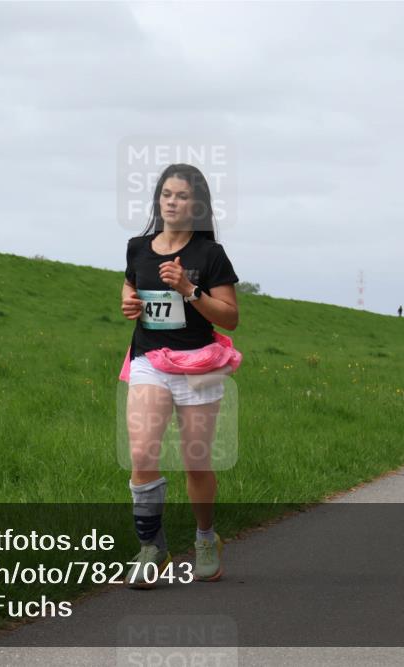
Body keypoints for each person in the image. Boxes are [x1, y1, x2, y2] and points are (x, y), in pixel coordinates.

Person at [120, 163, 240, 588]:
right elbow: (130, 286)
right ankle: (152, 547)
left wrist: (189, 291)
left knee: (196, 460)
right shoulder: (137, 246)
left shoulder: (209, 255)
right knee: (142, 454)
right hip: (150, 359)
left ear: (198, 205)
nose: (173, 202)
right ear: (158, 200)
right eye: (167, 194)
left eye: (182, 196)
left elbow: (231, 317)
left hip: (199, 365)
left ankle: (206, 537)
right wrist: (130, 304)